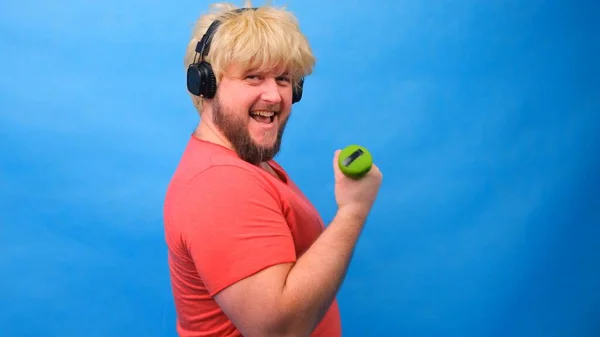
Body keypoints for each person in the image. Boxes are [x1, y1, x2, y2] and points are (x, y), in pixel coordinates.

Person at [163, 2, 383, 336]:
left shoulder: (246, 163)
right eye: (253, 77)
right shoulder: (220, 185)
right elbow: (280, 330)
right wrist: (353, 210)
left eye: (282, 79)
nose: (275, 95)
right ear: (205, 84)